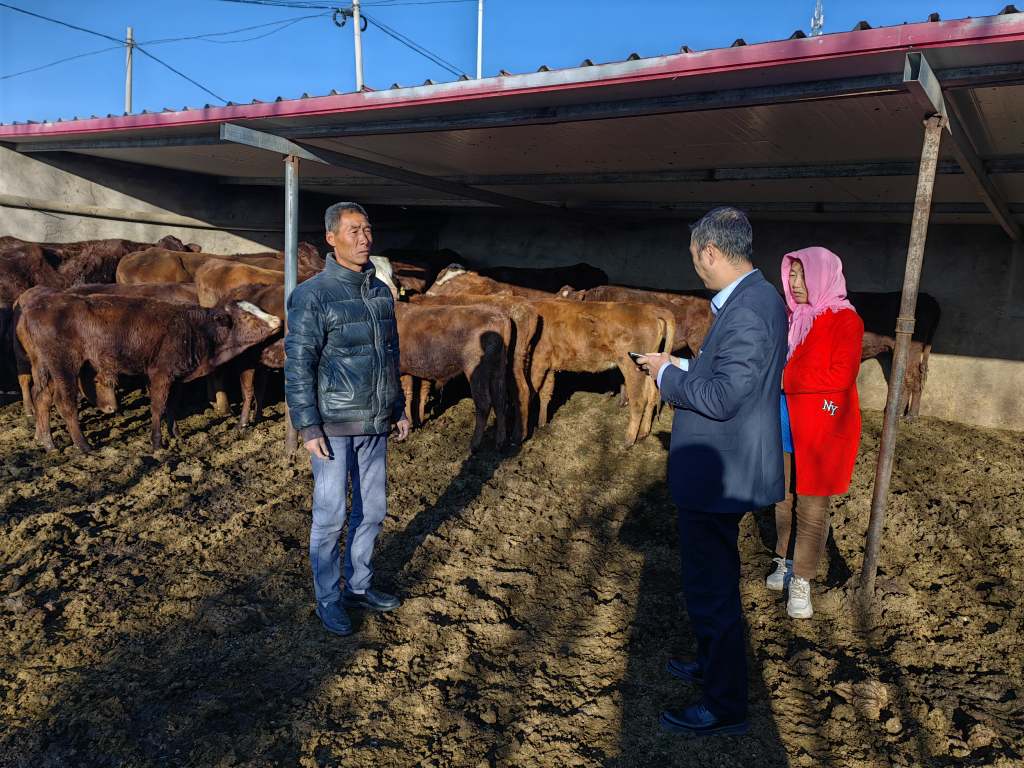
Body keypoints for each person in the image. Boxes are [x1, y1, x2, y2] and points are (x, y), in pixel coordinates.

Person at [638, 207, 787, 738]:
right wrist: (683, 368)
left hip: (721, 473)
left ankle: (724, 705)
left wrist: (666, 377)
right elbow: (730, 378)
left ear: (711, 252)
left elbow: (723, 397)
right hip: (729, 465)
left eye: (695, 257)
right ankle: (710, 664)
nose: (695, 267)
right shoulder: (756, 299)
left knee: (711, 589)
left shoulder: (748, 308)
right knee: (713, 578)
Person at [284, 201, 410, 637]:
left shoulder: (380, 292)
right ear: (331, 238)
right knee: (331, 515)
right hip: (333, 425)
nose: (364, 238)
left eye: (367, 229)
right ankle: (328, 597)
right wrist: (307, 425)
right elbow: (298, 364)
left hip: (375, 421)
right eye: (353, 230)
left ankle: (358, 585)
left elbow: (389, 356)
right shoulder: (312, 295)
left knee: (372, 511)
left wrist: (398, 406)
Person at [768, 247, 864, 619]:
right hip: (784, 420)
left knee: (811, 507)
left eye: (802, 274)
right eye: (791, 274)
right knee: (782, 497)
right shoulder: (792, 317)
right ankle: (784, 558)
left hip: (822, 427)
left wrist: (786, 378)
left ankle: (802, 579)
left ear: (823, 276)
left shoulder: (845, 320)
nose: (795, 282)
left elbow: (842, 375)